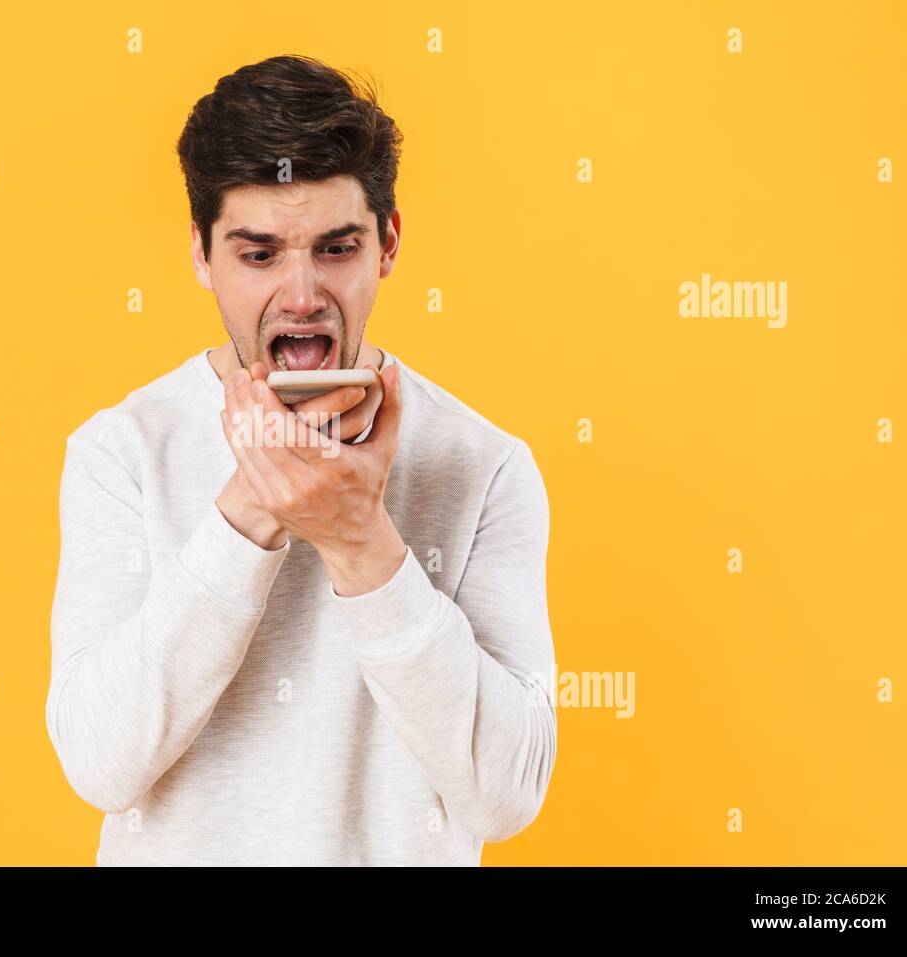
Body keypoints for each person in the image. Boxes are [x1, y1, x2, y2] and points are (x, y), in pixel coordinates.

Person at [46, 54, 556, 865]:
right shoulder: (122, 452)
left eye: (335, 248)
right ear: (201, 254)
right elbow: (100, 763)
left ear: (386, 244)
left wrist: (361, 541)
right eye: (258, 254)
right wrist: (252, 505)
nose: (301, 294)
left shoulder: (482, 467)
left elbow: (505, 794)